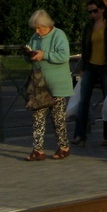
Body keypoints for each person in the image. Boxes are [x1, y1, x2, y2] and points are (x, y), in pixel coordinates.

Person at [24, 10, 73, 161]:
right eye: (35, 28)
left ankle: (64, 146)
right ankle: (38, 150)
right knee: (37, 116)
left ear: (47, 25)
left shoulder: (59, 35)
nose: (37, 31)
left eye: (39, 28)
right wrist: (29, 56)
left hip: (57, 85)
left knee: (57, 118)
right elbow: (32, 56)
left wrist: (44, 55)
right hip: (40, 85)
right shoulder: (34, 37)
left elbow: (64, 56)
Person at [71, 0, 107, 147]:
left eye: (95, 11)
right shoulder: (88, 27)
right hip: (90, 66)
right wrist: (83, 67)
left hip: (106, 67)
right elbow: (85, 47)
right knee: (83, 100)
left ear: (102, 10)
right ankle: (80, 134)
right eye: (90, 12)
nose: (92, 14)